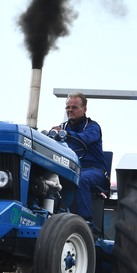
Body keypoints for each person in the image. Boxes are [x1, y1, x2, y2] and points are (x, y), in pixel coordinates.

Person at [52, 92, 108, 222]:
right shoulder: (62, 127)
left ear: (84, 109)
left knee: (81, 179)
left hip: (93, 170)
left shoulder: (92, 127)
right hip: (70, 168)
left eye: (74, 107)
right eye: (68, 107)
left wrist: (64, 134)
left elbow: (85, 138)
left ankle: (85, 223)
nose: (70, 110)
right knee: (47, 178)